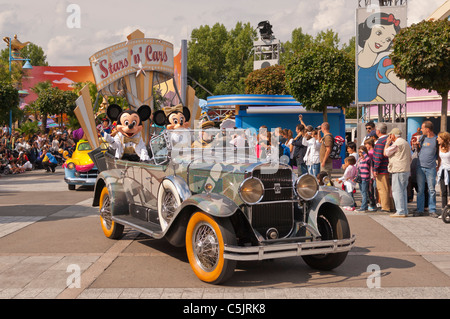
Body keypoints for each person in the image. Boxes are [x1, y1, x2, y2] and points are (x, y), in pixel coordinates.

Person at [384, 127, 412, 217]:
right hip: (405, 169)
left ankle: (400, 211)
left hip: (398, 170)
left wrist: (387, 143)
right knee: (403, 190)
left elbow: (386, 153)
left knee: (397, 190)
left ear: (393, 135)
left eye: (390, 135)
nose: (389, 136)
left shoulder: (397, 143)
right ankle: (404, 210)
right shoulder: (405, 142)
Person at [414, 120, 438, 217]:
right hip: (420, 167)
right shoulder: (422, 138)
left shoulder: (436, 140)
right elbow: (419, 150)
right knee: (420, 190)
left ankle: (432, 210)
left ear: (427, 129)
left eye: (423, 128)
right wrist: (416, 145)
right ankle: (420, 210)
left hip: (431, 168)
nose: (421, 129)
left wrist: (438, 166)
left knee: (431, 190)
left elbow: (439, 155)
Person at [373, 122, 394, 212]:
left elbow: (378, 156)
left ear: (378, 131)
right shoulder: (389, 139)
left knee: (382, 189)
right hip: (389, 167)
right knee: (388, 188)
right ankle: (391, 205)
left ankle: (385, 207)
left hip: (382, 169)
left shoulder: (380, 141)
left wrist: (375, 168)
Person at [437, 131, 450, 218]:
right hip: (442, 170)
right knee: (443, 191)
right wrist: (438, 167)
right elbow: (440, 158)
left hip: (449, 170)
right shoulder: (440, 146)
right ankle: (443, 211)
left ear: (443, 138)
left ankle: (448, 210)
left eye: (439, 137)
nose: (437, 139)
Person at [356, 146, 372, 212]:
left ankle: (363, 207)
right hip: (360, 178)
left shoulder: (367, 159)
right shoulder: (359, 159)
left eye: (362, 151)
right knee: (362, 192)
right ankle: (364, 206)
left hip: (365, 178)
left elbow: (368, 159)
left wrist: (364, 153)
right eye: (359, 152)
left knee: (364, 192)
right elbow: (357, 169)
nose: (361, 153)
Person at [363, 138, 377, 211]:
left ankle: (372, 203)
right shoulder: (372, 151)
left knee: (370, 189)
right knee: (371, 189)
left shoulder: (370, 153)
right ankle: (372, 203)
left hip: (370, 173)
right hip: (370, 173)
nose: (365, 146)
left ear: (370, 144)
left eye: (366, 144)